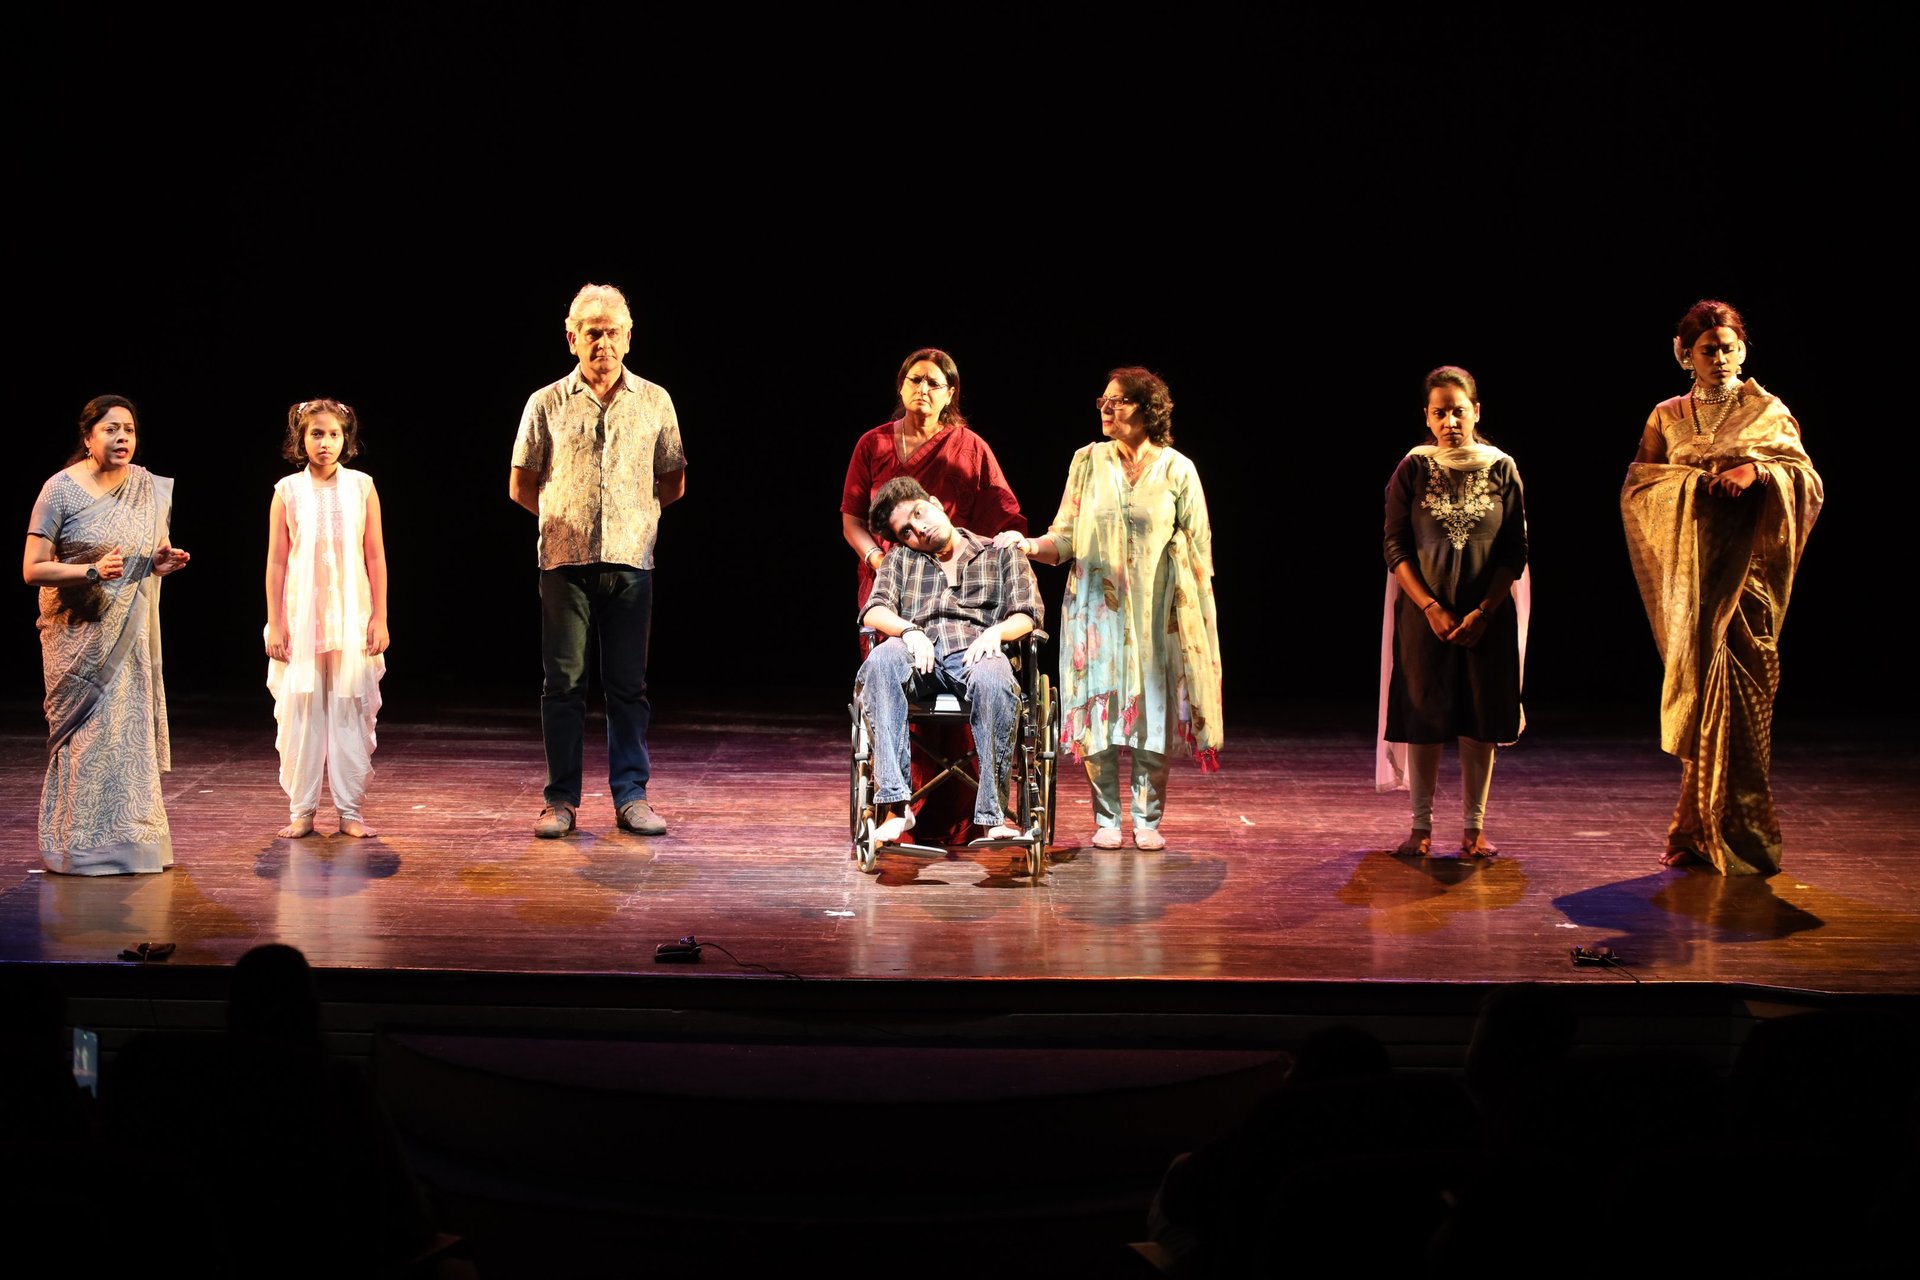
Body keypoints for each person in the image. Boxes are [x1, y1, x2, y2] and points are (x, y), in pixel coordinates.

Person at [1622, 300, 1821, 874]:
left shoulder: (1768, 410)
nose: (1721, 358)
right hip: (1694, 583)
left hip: (1749, 582)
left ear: (1743, 349)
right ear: (1685, 353)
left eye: (1730, 347)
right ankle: (1693, 831)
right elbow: (1638, 486)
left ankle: (1745, 835)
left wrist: (1757, 471)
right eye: (1708, 349)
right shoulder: (1666, 414)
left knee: (1744, 705)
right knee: (1704, 702)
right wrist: (1690, 486)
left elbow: (1806, 478)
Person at [997, 368, 1220, 851]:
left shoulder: (1177, 469)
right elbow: (1066, 536)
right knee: (1100, 713)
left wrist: (1195, 621)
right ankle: (1106, 818)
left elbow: (1200, 553)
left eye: (1118, 401)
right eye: (1104, 399)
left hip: (1157, 612)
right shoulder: (1087, 461)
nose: (1105, 407)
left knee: (1152, 713)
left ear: (1146, 410)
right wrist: (1030, 545)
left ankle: (1147, 818)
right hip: (1096, 612)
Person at [511, 283, 686, 839]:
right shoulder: (545, 402)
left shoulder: (656, 400)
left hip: (632, 562)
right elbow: (521, 483)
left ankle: (631, 795)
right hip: (564, 564)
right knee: (562, 684)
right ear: (572, 338)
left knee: (627, 686)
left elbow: (674, 478)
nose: (603, 342)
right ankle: (560, 801)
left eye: (613, 332)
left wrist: (634, 518)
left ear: (629, 338)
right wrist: (562, 517)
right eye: (592, 333)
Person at [840, 347, 1025, 844]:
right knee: (888, 673)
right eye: (914, 380)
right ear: (900, 386)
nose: (922, 389)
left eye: (934, 382)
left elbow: (1001, 514)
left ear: (950, 394)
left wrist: (1004, 552)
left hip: (967, 600)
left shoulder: (970, 448)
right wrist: (880, 560)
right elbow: (853, 519)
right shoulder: (873, 445)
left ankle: (975, 815)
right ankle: (898, 811)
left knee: (985, 681)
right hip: (894, 581)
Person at [24, 396, 191, 875]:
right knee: (89, 737)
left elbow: (144, 559)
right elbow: (32, 570)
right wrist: (90, 571)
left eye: (130, 430)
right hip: (76, 637)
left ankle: (133, 845)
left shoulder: (145, 486)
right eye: (111, 429)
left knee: (126, 736)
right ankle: (78, 850)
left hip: (128, 638)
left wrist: (157, 564)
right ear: (88, 437)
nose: (122, 439)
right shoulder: (59, 491)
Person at [1377, 366, 1529, 858]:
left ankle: (1473, 828)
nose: (1449, 421)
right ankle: (1420, 828)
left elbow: (1513, 551)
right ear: (1427, 415)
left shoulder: (1502, 467)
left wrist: (1484, 611)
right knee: (1423, 713)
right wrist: (1430, 608)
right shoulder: (1414, 468)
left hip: (1487, 617)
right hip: (1426, 616)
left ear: (1476, 412)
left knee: (1479, 718)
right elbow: (1395, 546)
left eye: (1458, 410)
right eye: (1439, 412)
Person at [857, 476, 1043, 845]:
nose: (919, 530)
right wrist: (909, 631)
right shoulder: (901, 560)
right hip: (918, 652)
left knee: (995, 678)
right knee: (880, 660)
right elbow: (873, 612)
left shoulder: (1000, 552)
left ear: (936, 502)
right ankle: (896, 807)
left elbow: (1028, 615)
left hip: (977, 650)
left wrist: (997, 633)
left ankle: (994, 819)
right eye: (906, 531)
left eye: (918, 514)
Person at [264, 398, 389, 839]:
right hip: (302, 617)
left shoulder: (361, 486)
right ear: (301, 438)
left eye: (334, 434)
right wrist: (275, 622)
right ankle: (302, 810)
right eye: (316, 433)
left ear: (345, 439)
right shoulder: (287, 491)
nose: (325, 442)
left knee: (350, 709)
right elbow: (277, 561)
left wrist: (380, 617)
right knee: (300, 712)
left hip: (350, 616)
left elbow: (374, 554)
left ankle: (350, 811)